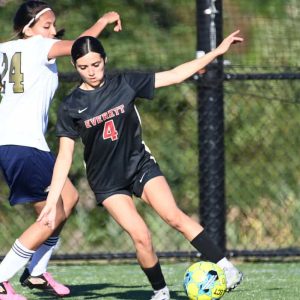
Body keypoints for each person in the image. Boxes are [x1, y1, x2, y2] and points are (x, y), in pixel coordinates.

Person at [39, 32, 244, 300]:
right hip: (107, 182)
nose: (91, 71)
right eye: (83, 67)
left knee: (174, 216)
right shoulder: (70, 106)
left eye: (96, 64)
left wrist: (216, 52)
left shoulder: (125, 83)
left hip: (139, 166)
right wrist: (53, 202)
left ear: (105, 60)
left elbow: (175, 75)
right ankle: (161, 292)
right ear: (74, 66)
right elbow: (65, 156)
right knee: (141, 237)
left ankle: (227, 268)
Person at [0, 1, 121, 299]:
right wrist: (104, 19)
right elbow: (82, 45)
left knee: (68, 198)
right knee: (51, 216)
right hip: (22, 144)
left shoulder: (4, 49)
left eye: (54, 25)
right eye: (46, 26)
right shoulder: (38, 47)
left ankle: (36, 272)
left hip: (18, 143)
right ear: (27, 29)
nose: (53, 32)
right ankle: (2, 277)